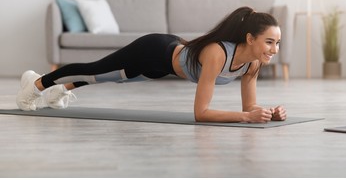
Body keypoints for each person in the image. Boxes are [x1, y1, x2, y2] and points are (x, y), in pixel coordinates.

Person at [16, 6, 287, 123]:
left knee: (108, 78)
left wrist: (265, 112)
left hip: (162, 67)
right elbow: (201, 113)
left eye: (277, 43)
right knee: (94, 69)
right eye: (268, 42)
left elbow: (249, 107)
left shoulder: (252, 63)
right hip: (155, 50)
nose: (274, 50)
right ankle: (36, 84)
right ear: (250, 38)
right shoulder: (218, 54)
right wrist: (244, 117)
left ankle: (57, 91)